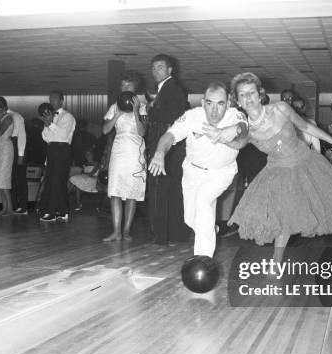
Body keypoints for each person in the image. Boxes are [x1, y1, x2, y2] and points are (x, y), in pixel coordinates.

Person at [227, 73, 332, 260]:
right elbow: (236, 143)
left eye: (251, 93)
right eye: (242, 95)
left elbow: (306, 127)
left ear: (260, 95)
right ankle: (277, 262)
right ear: (238, 101)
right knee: (284, 219)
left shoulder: (281, 108)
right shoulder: (246, 129)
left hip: (305, 164)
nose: (248, 98)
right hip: (278, 172)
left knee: (326, 214)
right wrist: (216, 137)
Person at [149, 82, 248, 257]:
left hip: (221, 173)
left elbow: (243, 135)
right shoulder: (192, 116)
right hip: (192, 172)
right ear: (203, 103)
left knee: (204, 202)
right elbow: (169, 136)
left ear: (228, 103)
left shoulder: (235, 115)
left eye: (220, 104)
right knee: (190, 219)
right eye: (209, 103)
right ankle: (211, 228)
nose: (214, 110)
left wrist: (229, 133)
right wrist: (159, 153)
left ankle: (203, 259)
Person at [146, 54, 189, 244]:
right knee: (171, 192)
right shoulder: (168, 89)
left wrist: (150, 110)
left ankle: (159, 236)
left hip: (166, 148)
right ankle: (174, 235)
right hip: (174, 149)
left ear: (170, 70)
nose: (156, 71)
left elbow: (171, 114)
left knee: (158, 191)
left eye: (160, 67)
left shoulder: (171, 88)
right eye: (153, 68)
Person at [102, 71, 147, 241]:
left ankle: (126, 231)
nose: (124, 88)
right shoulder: (114, 106)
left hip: (135, 152)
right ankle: (116, 232)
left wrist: (135, 112)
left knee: (131, 193)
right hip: (119, 150)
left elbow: (142, 132)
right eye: (122, 85)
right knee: (115, 191)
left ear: (135, 88)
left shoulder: (142, 107)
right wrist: (118, 114)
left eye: (128, 85)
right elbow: (105, 130)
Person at [39, 91, 75, 222]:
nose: (52, 101)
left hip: (63, 149)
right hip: (52, 149)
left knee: (56, 181)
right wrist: (48, 123)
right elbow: (45, 137)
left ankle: (51, 212)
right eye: (50, 99)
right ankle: (63, 211)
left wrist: (50, 123)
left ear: (61, 101)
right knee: (52, 180)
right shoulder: (49, 116)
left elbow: (63, 135)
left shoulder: (67, 116)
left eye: (55, 99)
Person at [7, 107, 28, 215]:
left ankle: (23, 207)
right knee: (12, 180)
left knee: (20, 179)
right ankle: (14, 206)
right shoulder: (5, 117)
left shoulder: (16, 116)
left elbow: (22, 136)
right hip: (10, 147)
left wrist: (20, 155)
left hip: (17, 148)